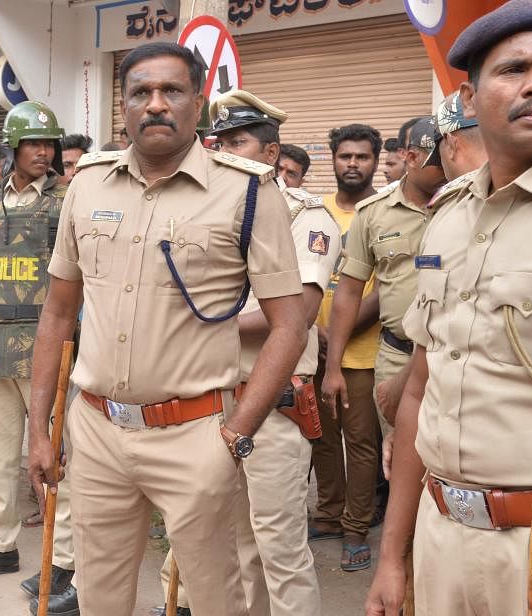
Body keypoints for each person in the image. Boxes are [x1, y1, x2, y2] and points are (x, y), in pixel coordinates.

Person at [366, 2, 532, 614]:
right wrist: (394, 556)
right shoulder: (447, 215)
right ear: (468, 97)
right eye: (514, 68)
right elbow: (419, 395)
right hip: (441, 540)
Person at [26, 42, 306, 616]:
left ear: (198, 104)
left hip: (197, 432)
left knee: (214, 598)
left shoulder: (249, 190)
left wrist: (237, 434)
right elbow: (57, 312)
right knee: (97, 595)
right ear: (122, 107)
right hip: (98, 429)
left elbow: (290, 324)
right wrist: (40, 428)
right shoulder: (88, 184)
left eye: (172, 91)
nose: (156, 104)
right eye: (141, 93)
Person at [169, 89, 339, 614]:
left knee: (281, 550)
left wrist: (192, 328)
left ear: (271, 154)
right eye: (217, 142)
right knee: (237, 546)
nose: (222, 151)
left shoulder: (307, 219)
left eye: (237, 142)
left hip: (272, 409)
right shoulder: (207, 214)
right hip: (211, 402)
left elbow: (297, 316)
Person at [0, 101, 77, 593]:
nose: (43, 152)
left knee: (54, 456)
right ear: (14, 147)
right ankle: (0, 545)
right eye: (33, 144)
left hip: (45, 345)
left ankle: (62, 557)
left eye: (49, 144)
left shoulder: (67, 201)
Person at [323, 118, 446, 451]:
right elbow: (348, 292)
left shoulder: (465, 204)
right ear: (409, 156)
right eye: (433, 159)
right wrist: (333, 367)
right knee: (397, 452)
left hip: (451, 357)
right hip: (396, 356)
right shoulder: (374, 214)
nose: (444, 167)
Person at [307, 123, 383, 571]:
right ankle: (330, 515)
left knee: (360, 443)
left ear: (375, 161)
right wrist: (312, 336)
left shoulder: (381, 211)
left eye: (362, 157)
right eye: (345, 156)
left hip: (360, 353)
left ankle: (357, 529)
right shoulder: (315, 212)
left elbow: (384, 289)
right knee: (321, 439)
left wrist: (335, 337)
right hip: (312, 350)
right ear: (332, 160)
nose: (353, 164)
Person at [424, 92, 488, 181]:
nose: (442, 170)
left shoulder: (453, 193)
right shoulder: (510, 184)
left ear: (450, 145)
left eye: (440, 158)